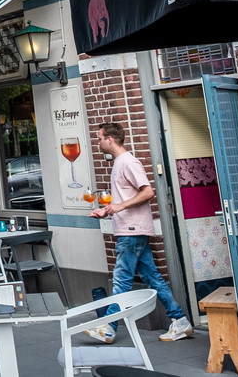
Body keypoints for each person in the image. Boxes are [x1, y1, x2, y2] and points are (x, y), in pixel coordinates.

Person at [87, 122, 194, 343]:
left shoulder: (128, 162)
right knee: (152, 277)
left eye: (99, 138)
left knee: (121, 279)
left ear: (110, 139)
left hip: (131, 231)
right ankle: (180, 321)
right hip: (130, 229)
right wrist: (107, 209)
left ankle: (108, 327)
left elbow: (148, 192)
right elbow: (125, 200)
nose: (97, 142)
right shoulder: (119, 163)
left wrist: (119, 206)